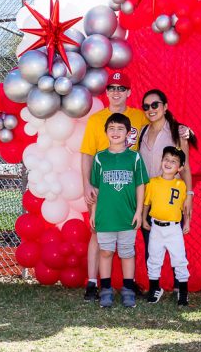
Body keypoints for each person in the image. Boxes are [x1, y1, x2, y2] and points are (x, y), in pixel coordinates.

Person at [80, 70, 147, 301]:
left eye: (121, 88)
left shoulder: (139, 117)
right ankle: (92, 283)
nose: (116, 92)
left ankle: (130, 284)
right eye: (111, 88)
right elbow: (87, 154)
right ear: (106, 92)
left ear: (128, 92)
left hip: (129, 187)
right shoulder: (96, 119)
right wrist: (87, 184)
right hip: (103, 186)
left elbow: (160, 127)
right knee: (97, 231)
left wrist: (182, 131)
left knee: (130, 234)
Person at [137, 88, 198, 301]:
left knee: (175, 246)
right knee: (151, 244)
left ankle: (179, 288)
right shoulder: (143, 132)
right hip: (149, 197)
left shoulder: (177, 131)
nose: (151, 109)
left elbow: (186, 166)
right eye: (146, 106)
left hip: (171, 199)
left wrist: (189, 193)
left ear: (165, 106)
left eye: (155, 105)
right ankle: (155, 287)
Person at [89, 113, 149, 308]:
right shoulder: (100, 158)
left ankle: (128, 289)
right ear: (106, 132)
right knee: (105, 252)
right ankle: (105, 289)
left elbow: (141, 185)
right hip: (105, 216)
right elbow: (96, 189)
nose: (116, 132)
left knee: (127, 253)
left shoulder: (135, 157)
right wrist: (93, 213)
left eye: (120, 129)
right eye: (112, 128)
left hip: (127, 216)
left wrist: (139, 212)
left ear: (128, 133)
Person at [142, 146, 191, 306]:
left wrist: (187, 222)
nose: (169, 163)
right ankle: (155, 289)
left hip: (173, 229)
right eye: (166, 159)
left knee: (179, 259)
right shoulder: (153, 183)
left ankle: (183, 292)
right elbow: (146, 203)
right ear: (161, 161)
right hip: (156, 227)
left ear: (180, 167)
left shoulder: (181, 185)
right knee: (154, 259)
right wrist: (144, 219)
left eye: (174, 161)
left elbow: (185, 207)